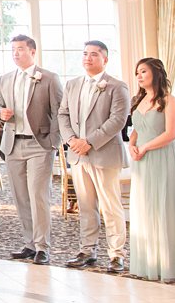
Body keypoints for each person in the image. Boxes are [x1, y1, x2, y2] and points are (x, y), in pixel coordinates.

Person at [57, 41, 133, 273]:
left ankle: (116, 253)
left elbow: (117, 120)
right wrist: (72, 140)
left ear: (105, 59)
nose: (88, 58)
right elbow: (63, 114)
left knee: (111, 206)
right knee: (86, 206)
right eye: (85, 54)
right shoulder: (72, 85)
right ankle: (87, 250)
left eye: (94, 54)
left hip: (104, 153)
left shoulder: (117, 86)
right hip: (79, 156)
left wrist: (89, 142)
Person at [127, 58, 175, 282]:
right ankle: (150, 262)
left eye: (143, 71)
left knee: (166, 207)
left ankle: (172, 264)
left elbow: (171, 134)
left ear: (156, 73)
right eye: (137, 72)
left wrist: (146, 147)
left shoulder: (169, 101)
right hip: (142, 159)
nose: (139, 76)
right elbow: (136, 130)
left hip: (164, 157)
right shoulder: (138, 101)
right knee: (147, 208)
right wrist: (132, 146)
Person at [0, 34, 63, 265]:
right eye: (13, 49)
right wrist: (0, 114)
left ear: (32, 51)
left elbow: (59, 112)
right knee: (21, 196)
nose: (15, 53)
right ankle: (29, 243)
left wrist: (53, 141)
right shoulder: (5, 79)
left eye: (20, 49)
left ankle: (43, 246)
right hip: (13, 144)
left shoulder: (49, 79)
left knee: (37, 195)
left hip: (39, 144)